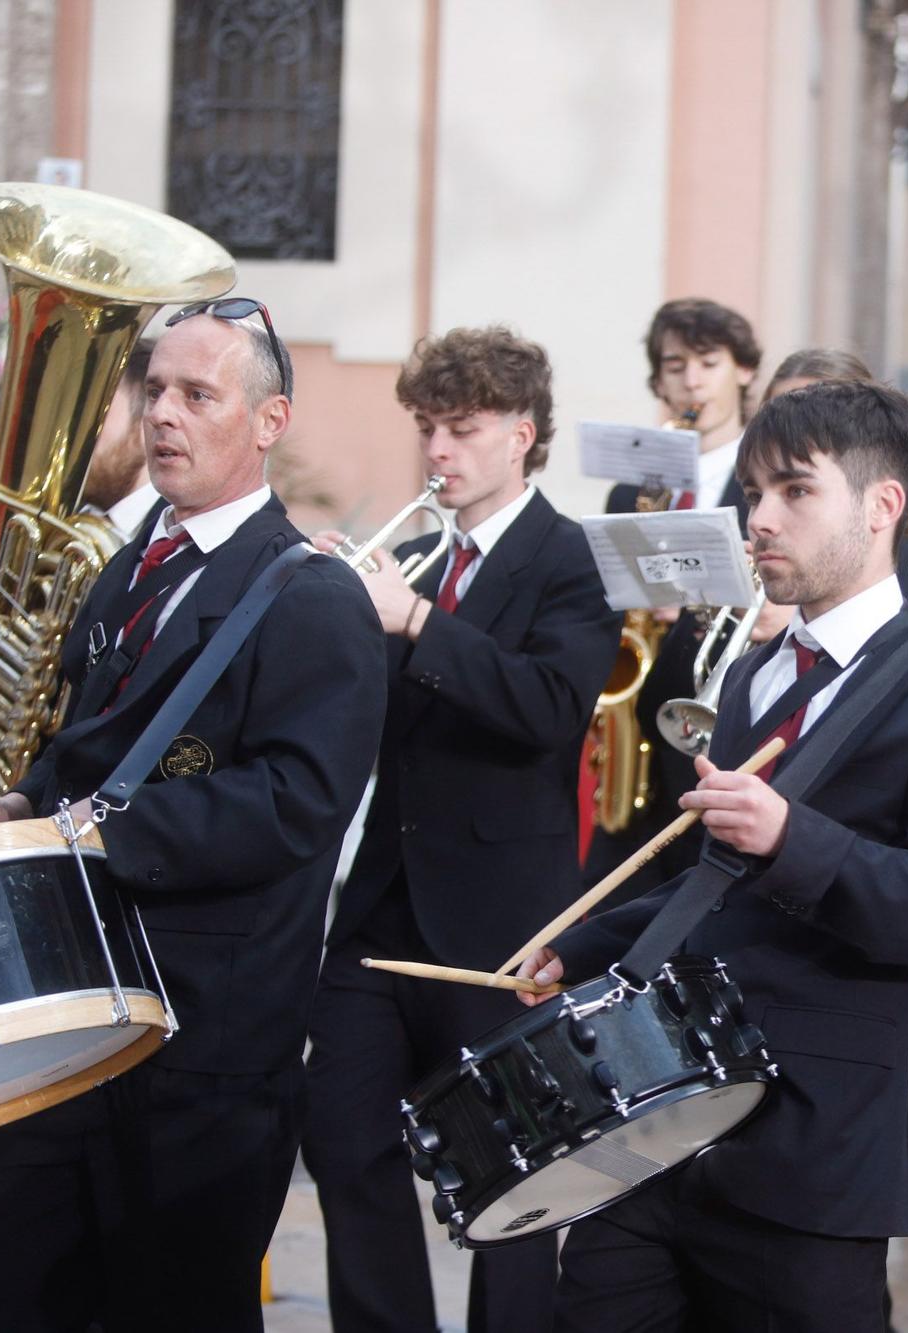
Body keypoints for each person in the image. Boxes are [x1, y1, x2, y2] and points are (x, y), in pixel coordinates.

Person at [516, 378, 908, 1332]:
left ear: (882, 507)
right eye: (753, 492)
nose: (760, 519)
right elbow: (714, 879)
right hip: (662, 1115)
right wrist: (579, 945)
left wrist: (796, 837)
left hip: (813, 1150)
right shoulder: (751, 668)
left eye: (795, 491)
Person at [0, 299, 388, 1333]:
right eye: (154, 392)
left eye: (197, 394)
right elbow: (94, 746)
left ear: (267, 421)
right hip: (72, 1017)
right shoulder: (135, 565)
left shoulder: (314, 597)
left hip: (201, 1055)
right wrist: (19, 803)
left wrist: (105, 832)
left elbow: (299, 801)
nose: (162, 416)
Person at [300, 326, 618, 1331]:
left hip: (500, 924)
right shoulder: (413, 554)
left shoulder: (571, 558)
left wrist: (416, 625)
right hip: (382, 908)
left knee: (510, 1181)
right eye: (428, 428)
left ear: (520, 434)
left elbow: (550, 706)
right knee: (341, 1136)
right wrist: (333, 615)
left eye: (463, 429)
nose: (438, 451)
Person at [583, 299, 765, 889]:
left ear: (742, 370)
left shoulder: (765, 486)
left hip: (726, 715)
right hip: (639, 722)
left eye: (708, 363)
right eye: (675, 365)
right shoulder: (629, 491)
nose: (691, 380)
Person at [0, 337, 161, 689]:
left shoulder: (174, 533)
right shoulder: (49, 526)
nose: (68, 441)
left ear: (147, 426)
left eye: (92, 418)